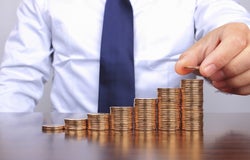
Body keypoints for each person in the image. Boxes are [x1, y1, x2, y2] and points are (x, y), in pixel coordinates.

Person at [0, 0, 249, 113]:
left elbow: (226, 16)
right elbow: (17, 81)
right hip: (72, 147)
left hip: (167, 147)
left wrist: (238, 33)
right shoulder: (40, 2)